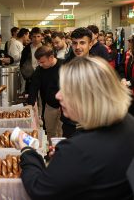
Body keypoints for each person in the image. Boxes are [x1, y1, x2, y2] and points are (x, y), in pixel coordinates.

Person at [17, 56, 134, 200]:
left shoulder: (78, 150)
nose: (58, 95)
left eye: (66, 90)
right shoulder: (129, 122)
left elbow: (39, 189)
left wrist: (28, 151)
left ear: (87, 98)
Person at [61, 27, 93, 138]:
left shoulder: (98, 66)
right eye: (74, 43)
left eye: (82, 43)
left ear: (90, 44)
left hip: (93, 123)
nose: (78, 47)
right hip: (71, 124)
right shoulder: (65, 66)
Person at [27, 45, 63, 143]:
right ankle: (51, 152)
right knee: (50, 131)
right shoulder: (39, 70)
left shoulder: (64, 65)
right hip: (50, 106)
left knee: (62, 132)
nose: (40, 64)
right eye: (38, 62)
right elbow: (33, 88)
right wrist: (31, 105)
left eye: (42, 62)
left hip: (65, 106)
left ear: (51, 57)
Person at [20, 27, 43, 93]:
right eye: (34, 36)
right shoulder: (26, 49)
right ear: (31, 37)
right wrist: (27, 76)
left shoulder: (45, 48)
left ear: (41, 37)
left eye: (38, 36)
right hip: (30, 77)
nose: (36, 39)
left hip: (43, 76)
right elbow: (22, 64)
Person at [118, 34, 134, 115]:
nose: (130, 44)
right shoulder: (127, 53)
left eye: (131, 42)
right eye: (129, 41)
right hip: (127, 90)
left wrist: (129, 83)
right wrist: (123, 78)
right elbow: (121, 67)